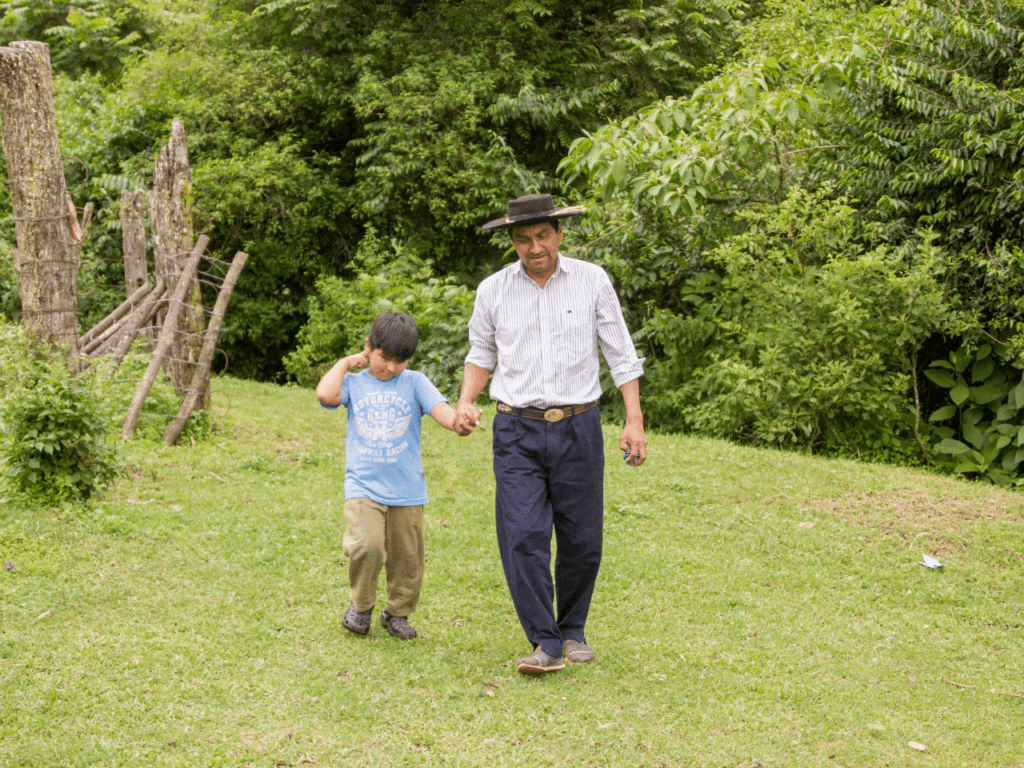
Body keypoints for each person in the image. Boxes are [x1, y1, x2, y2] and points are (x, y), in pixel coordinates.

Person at [454, 193, 648, 675]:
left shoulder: (591, 281)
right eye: (524, 238)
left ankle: (573, 627)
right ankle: (545, 642)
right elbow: (481, 353)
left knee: (582, 538)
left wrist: (634, 419)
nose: (534, 246)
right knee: (522, 534)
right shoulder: (492, 290)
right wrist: (465, 400)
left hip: (579, 425)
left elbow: (621, 354)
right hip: (516, 427)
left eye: (543, 235)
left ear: (559, 234)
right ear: (513, 241)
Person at [316, 311, 479, 640]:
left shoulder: (415, 382)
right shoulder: (355, 383)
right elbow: (325, 396)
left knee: (408, 558)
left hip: (407, 489)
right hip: (363, 486)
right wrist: (346, 363)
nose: (390, 367)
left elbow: (442, 412)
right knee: (367, 545)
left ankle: (397, 613)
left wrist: (459, 422)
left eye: (400, 361)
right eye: (384, 357)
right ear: (368, 347)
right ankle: (361, 606)